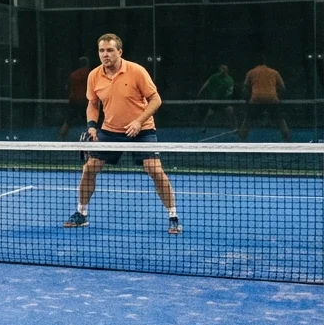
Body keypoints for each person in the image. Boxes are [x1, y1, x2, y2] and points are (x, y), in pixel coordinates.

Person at [64, 34, 181, 234]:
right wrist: (92, 126)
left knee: (154, 170)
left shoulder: (136, 71)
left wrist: (138, 121)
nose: (105, 54)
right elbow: (93, 103)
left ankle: (173, 216)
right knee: (89, 168)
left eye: (109, 50)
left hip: (142, 130)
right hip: (110, 131)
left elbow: (156, 100)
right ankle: (81, 213)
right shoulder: (94, 75)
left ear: (119, 52)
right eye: (101, 50)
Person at [240, 57, 291, 141]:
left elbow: (245, 88)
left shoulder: (251, 72)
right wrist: (276, 94)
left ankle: (241, 142)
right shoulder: (274, 72)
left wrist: (247, 98)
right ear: (265, 62)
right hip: (272, 99)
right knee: (281, 121)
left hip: (256, 99)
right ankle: (288, 141)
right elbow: (283, 88)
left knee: (247, 121)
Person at [197, 63, 237, 135]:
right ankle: (204, 128)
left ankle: (234, 128)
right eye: (223, 69)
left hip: (225, 101)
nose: (225, 70)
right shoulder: (215, 77)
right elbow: (208, 82)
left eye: (226, 69)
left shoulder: (230, 79)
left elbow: (229, 91)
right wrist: (201, 91)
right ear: (220, 70)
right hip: (216, 100)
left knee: (231, 112)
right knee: (209, 114)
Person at [57, 57, 90, 140]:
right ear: (87, 63)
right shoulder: (90, 73)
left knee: (68, 121)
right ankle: (96, 139)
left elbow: (68, 87)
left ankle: (61, 138)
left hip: (75, 102)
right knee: (92, 122)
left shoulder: (73, 75)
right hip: (86, 102)